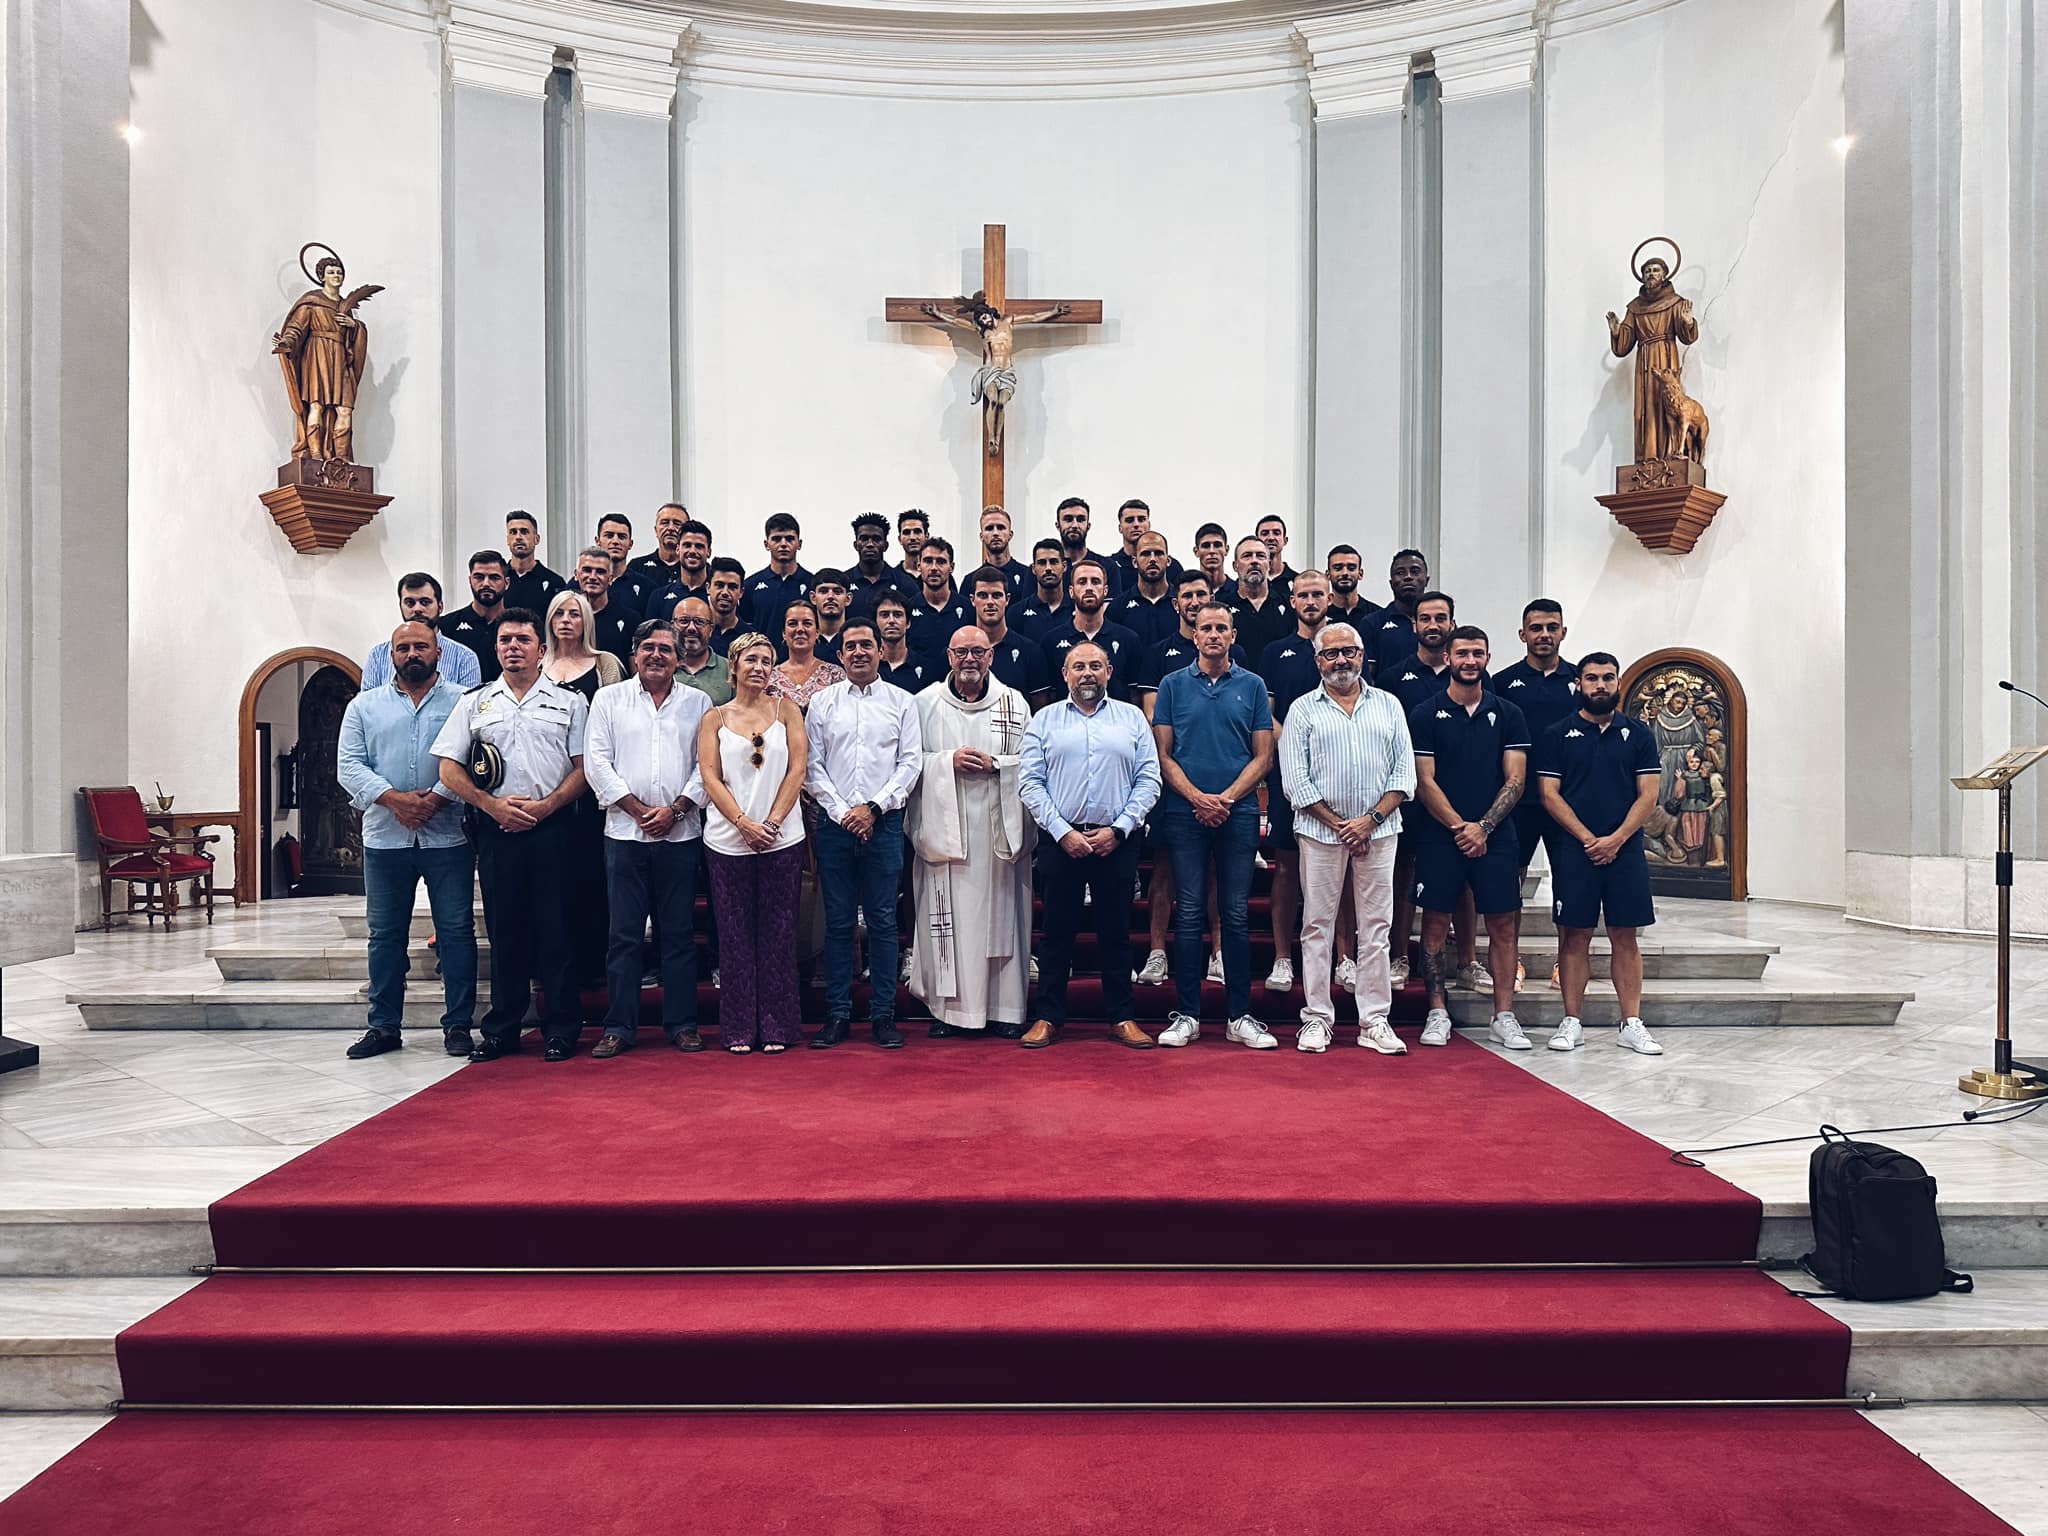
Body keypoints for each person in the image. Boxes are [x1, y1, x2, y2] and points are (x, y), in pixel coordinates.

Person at [432, 609, 589, 1062]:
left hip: (554, 829)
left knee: (557, 931)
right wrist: (491, 806)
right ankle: (502, 1029)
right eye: (505, 640)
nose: (512, 647)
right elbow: (448, 766)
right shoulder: (475, 703)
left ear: (542, 650)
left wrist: (546, 806)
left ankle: (562, 1028)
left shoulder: (569, 702)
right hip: (497, 830)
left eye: (522, 639)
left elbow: (584, 769)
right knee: (506, 932)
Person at [336, 621, 476, 1059]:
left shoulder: (463, 702)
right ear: (391, 655)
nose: (411, 654)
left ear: (438, 651)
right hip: (385, 837)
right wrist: (395, 799)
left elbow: (475, 758)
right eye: (403, 648)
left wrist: (436, 798)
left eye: (420, 647)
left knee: (455, 932)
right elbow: (349, 765)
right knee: (385, 936)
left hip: (448, 835)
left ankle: (457, 1026)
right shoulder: (364, 706)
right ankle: (383, 1027)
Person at [1018, 642, 1162, 1048]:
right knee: (1055, 933)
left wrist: (1119, 829)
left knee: (1115, 933)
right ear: (1065, 674)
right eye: (1078, 666)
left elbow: (1149, 779)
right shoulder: (1044, 720)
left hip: (1115, 841)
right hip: (1060, 840)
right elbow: (1030, 782)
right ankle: (1048, 1016)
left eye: (1095, 666)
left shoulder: (1132, 718)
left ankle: (1122, 1017)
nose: (1086, 673)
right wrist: (1062, 831)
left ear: (1109, 671)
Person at [1280, 624, 1414, 1055]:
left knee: (1377, 928)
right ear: (1317, 661)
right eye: (1331, 654)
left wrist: (1369, 821)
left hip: (1379, 831)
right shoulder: (1302, 710)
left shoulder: (1390, 706)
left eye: (1349, 652)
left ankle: (1374, 1020)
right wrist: (1342, 825)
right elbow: (1295, 783)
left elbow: (1404, 775)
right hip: (1320, 833)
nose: (1341, 661)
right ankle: (1316, 1018)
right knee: (1316, 925)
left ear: (1362, 656)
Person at [584, 619, 712, 1057]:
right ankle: (619, 1026)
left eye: (666, 649)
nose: (657, 655)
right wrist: (638, 811)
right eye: (649, 647)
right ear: (634, 652)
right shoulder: (608, 699)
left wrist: (676, 810)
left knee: (676, 934)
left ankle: (682, 1024)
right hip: (624, 834)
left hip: (680, 835)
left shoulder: (697, 703)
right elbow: (597, 763)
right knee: (624, 935)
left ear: (679, 657)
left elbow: (706, 767)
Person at [1152, 601, 1276, 1049]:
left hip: (1238, 812)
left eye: (1222, 627)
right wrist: (1196, 798)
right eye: (1206, 627)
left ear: (1233, 634)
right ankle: (1187, 1014)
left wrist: (1224, 798)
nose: (1214, 635)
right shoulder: (1171, 685)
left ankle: (1238, 1015)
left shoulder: (1254, 685)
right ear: (1194, 634)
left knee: (1236, 914)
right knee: (1187, 914)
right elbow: (1163, 753)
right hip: (1185, 812)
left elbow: (1263, 755)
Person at [907, 626, 1036, 1040]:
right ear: (948, 656)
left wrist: (998, 765)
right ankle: (948, 1013)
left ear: (991, 657)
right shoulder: (924, 703)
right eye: (961, 651)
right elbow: (909, 762)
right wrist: (946, 762)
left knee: (1002, 920)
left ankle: (1003, 1009)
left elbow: (1030, 763)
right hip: (947, 836)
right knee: (948, 922)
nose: (970, 659)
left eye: (978, 652)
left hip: (999, 837)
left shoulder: (1014, 704)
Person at [1537, 652, 1666, 1056]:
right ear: (1579, 683)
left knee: (1624, 935)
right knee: (1574, 935)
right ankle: (1571, 1020)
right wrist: (1589, 839)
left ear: (1618, 683)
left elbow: (1649, 795)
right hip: (1575, 850)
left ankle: (1631, 1022)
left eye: (1608, 678)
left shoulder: (1639, 735)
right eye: (1592, 678)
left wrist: (1617, 838)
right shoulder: (1557, 734)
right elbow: (1548, 794)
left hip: (1625, 851)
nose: (1600, 686)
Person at [1408, 625, 1531, 1050]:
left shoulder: (1509, 713)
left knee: (1502, 925)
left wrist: (1485, 828)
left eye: (1478, 653)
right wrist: (1462, 827)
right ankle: (1437, 1011)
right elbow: (1424, 781)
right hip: (1441, 835)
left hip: (1496, 836)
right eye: (1462, 653)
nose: (1470, 661)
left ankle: (1504, 1015)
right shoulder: (1425, 712)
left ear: (1488, 657)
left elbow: (1515, 779)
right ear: (1449, 657)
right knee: (1436, 924)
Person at [804, 617, 923, 1049]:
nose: (858, 652)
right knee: (838, 924)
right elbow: (812, 765)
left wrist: (873, 808)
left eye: (866, 645)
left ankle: (883, 1015)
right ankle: (837, 1015)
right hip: (835, 827)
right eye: (850, 646)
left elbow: (910, 764)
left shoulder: (902, 702)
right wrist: (842, 812)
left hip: (885, 824)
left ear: (880, 650)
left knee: (883, 922)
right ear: (840, 655)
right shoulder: (822, 703)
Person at [1132, 570, 1245, 990]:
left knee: (1215, 874)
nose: (1197, 603)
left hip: (1226, 792)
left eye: (1203, 596)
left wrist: (1220, 796)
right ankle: (1158, 952)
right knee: (1164, 869)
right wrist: (1188, 789)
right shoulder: (1160, 655)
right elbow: (1153, 721)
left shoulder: (1241, 659)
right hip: (1176, 788)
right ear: (1177, 605)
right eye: (1189, 598)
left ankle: (1217, 953)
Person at [698, 633, 809, 1052]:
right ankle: (739, 1028)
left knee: (779, 932)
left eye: (766, 661)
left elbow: (797, 769)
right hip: (728, 839)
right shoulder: (715, 718)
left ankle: (778, 1026)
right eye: (751, 660)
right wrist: (744, 823)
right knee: (735, 935)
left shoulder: (788, 711)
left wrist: (773, 821)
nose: (759, 667)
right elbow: (710, 776)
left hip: (782, 837)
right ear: (734, 666)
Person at [1375, 591, 1485, 990]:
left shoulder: (1473, 675)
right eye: (1426, 618)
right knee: (1401, 874)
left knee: (1464, 879)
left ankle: (1469, 960)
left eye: (1441, 618)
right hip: (1405, 794)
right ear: (1414, 625)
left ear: (1452, 624)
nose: (1433, 625)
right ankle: (1400, 954)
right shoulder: (1391, 679)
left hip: (1458, 797)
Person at [542, 591, 620, 997]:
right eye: (560, 613)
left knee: (591, 881)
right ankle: (554, 964)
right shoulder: (538, 666)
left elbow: (620, 724)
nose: (567, 620)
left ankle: (592, 963)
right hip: (545, 786)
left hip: (592, 794)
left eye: (575, 613)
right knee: (551, 884)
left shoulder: (605, 664)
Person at [1259, 569, 1332, 998]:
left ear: (1329, 599)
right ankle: (1283, 959)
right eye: (1303, 594)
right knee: (1286, 866)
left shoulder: (1345, 645)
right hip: (1290, 774)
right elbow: (1265, 713)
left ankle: (1343, 958)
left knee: (1339, 873)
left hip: (1340, 778)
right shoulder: (1276, 652)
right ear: (1292, 600)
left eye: (1317, 594)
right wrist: (1295, 746)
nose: (1310, 601)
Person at [1494, 599, 1579, 880]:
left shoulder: (1582, 681)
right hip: (1519, 801)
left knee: (1571, 882)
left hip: (1569, 799)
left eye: (1552, 627)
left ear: (1563, 632)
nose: (1544, 634)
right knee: (1508, 884)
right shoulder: (1502, 683)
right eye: (1536, 628)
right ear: (1523, 634)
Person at [1039, 557, 1140, 701]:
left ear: (1105, 591)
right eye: (1082, 582)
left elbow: (1134, 696)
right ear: (1071, 591)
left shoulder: (1128, 639)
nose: (1089, 588)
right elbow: (1049, 696)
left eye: (1095, 582)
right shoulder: (1051, 641)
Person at [360, 572, 481, 691]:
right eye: (410, 603)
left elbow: (470, 707)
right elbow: (367, 706)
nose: (417, 609)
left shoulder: (464, 658)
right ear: (401, 606)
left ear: (440, 607)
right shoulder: (378, 655)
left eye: (425, 602)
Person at [964, 565, 1052, 707]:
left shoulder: (1030, 652)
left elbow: (1039, 710)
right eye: (983, 596)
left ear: (1007, 599)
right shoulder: (960, 653)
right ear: (972, 600)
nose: (990, 602)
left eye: (997, 595)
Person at [440, 551, 510, 683]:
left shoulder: (518, 626)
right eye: (479, 577)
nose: (486, 584)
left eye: (494, 578)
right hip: (462, 700)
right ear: (470, 580)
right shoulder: (447, 626)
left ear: (507, 583)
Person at [740, 511, 812, 639]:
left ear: (799, 544)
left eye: (789, 538)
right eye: (776, 539)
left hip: (801, 657)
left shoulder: (812, 584)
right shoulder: (750, 585)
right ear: (766, 544)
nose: (783, 544)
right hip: (762, 657)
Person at [768, 599, 845, 711]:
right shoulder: (769, 677)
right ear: (784, 633)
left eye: (807, 623)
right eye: (792, 624)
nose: (800, 629)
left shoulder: (835, 675)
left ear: (817, 632)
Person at [1221, 536, 1290, 659]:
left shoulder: (1287, 604)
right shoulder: (1223, 607)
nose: (1254, 561)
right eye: (1247, 556)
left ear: (1269, 564)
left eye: (1260, 556)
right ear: (1235, 565)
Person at [573, 546, 642, 667]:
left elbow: (635, 672)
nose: (593, 577)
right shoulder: (565, 617)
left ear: (610, 579)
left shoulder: (630, 619)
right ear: (576, 575)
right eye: (587, 570)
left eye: (600, 571)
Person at [1368, 549, 1431, 679]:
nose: (1408, 577)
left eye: (1415, 571)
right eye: (1400, 573)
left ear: (1426, 580)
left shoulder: (1441, 623)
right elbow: (1368, 677)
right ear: (1391, 583)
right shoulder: (1373, 623)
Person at [906, 537, 972, 658]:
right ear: (919, 566)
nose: (934, 568)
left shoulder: (969, 608)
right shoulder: (907, 609)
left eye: (941, 562)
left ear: (951, 567)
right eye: (928, 561)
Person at [1112, 530, 1179, 649]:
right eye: (1145, 554)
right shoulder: (1118, 607)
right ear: (1134, 562)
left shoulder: (1182, 603)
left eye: (1158, 553)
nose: (1152, 559)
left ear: (1168, 561)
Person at [846, 511, 919, 619]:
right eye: (864, 539)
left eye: (876, 539)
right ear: (856, 545)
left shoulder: (905, 583)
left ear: (885, 545)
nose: (870, 544)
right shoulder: (844, 583)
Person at [1104, 499, 1181, 598]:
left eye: (1141, 519)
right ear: (1120, 528)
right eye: (1129, 520)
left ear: (1149, 525)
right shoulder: (1110, 566)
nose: (1136, 524)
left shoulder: (1171, 566)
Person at [597, 512, 662, 617]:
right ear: (597, 541)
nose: (615, 541)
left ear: (630, 544)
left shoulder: (647, 588)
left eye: (621, 537)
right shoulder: (582, 584)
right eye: (609, 536)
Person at [874, 591, 939, 693]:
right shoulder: (868, 667)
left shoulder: (928, 669)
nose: (891, 620)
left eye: (898, 615)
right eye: (885, 615)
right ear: (875, 622)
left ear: (908, 623)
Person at [503, 509, 566, 614]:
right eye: (513, 532)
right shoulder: (498, 578)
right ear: (508, 540)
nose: (518, 537)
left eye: (524, 532)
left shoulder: (554, 582)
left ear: (537, 539)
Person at [672, 598, 734, 704]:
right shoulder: (661, 666)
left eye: (699, 622)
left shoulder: (731, 670)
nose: (691, 628)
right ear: (672, 626)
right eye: (684, 621)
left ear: (711, 630)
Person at [1011, 538, 1072, 641]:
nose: (1048, 568)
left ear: (1064, 566)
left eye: (1053, 562)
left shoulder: (1078, 610)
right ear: (1033, 569)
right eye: (1042, 563)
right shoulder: (1016, 612)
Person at [652, 518, 714, 614]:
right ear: (677, 549)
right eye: (687, 545)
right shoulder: (658, 597)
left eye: (699, 546)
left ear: (709, 552)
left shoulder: (717, 597)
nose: (693, 551)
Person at [627, 503, 689, 593]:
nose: (671, 528)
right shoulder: (637, 566)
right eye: (665, 523)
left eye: (677, 523)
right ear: (656, 530)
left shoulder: (698, 568)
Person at [976, 505, 1033, 600]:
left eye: (1001, 527)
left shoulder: (1028, 576)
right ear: (981, 536)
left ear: (1010, 534)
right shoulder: (971, 581)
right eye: (989, 528)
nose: (995, 533)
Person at [1054, 496, 1110, 586]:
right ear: (1058, 525)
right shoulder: (1043, 569)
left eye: (1080, 520)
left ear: (1088, 526)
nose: (1075, 525)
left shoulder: (1107, 567)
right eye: (1068, 519)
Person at [1323, 545, 1377, 627]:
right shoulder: (1320, 615)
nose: (1345, 573)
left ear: (1360, 574)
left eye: (1351, 568)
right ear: (1328, 575)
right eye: (1338, 568)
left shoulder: (1376, 615)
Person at [705, 556, 748, 655]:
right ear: (708, 588)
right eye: (719, 585)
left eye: (732, 587)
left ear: (741, 592)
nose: (725, 592)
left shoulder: (751, 637)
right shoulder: (697, 632)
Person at [809, 568, 851, 664]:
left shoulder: (856, 640)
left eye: (837, 591)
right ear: (813, 597)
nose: (830, 597)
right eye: (823, 591)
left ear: (848, 598)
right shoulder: (804, 641)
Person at [1256, 514, 1298, 596]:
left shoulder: (1297, 581)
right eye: (1265, 533)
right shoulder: (1246, 582)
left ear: (1285, 540)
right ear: (1256, 541)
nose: (1271, 538)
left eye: (1276, 533)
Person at [1190, 522, 1231, 597]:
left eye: (1217, 545)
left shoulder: (1239, 592)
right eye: (1206, 546)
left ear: (1226, 550)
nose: (1212, 551)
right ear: (1196, 551)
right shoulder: (1188, 593)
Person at [895, 508, 929, 578]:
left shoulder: (939, 576)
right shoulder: (892, 577)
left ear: (926, 536)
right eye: (906, 532)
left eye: (917, 531)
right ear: (899, 539)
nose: (912, 537)